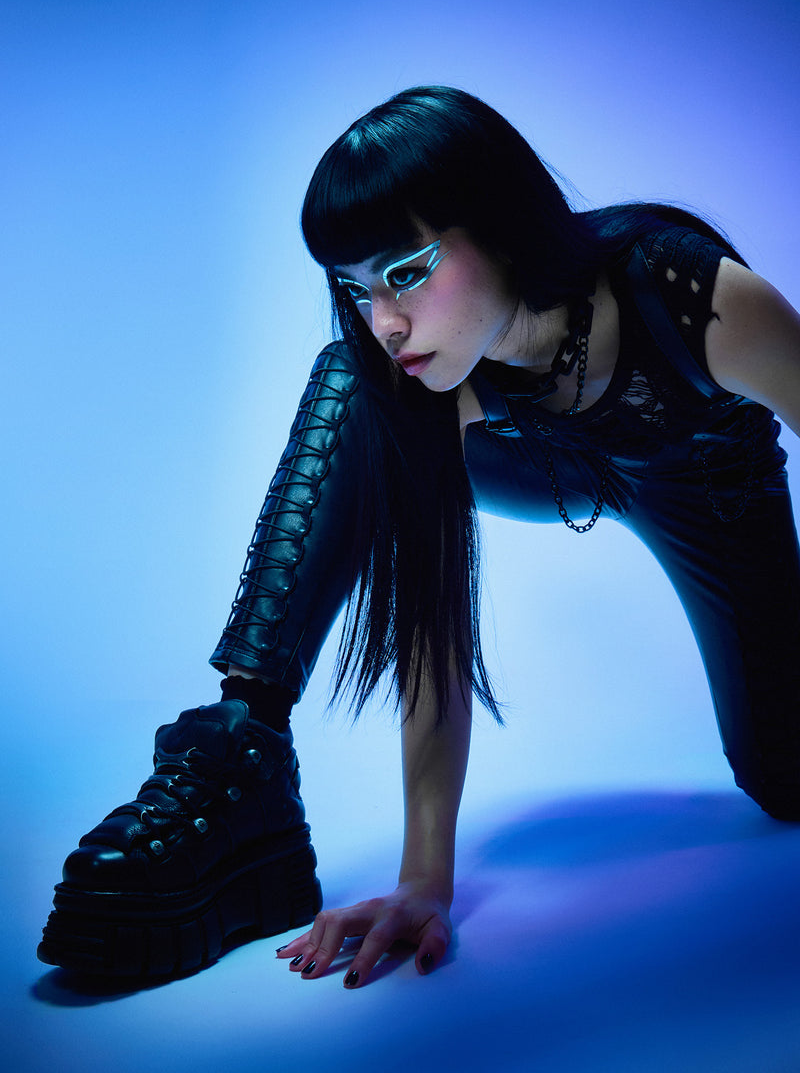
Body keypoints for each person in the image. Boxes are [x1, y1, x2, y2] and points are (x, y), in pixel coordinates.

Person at [38, 86, 800, 989]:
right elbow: (432, 622)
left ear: (502, 224)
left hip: (705, 481)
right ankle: (242, 754)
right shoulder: (414, 371)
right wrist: (423, 881)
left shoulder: (689, 292)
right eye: (356, 287)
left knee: (786, 774)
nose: (385, 319)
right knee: (354, 383)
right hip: (528, 461)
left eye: (404, 271)